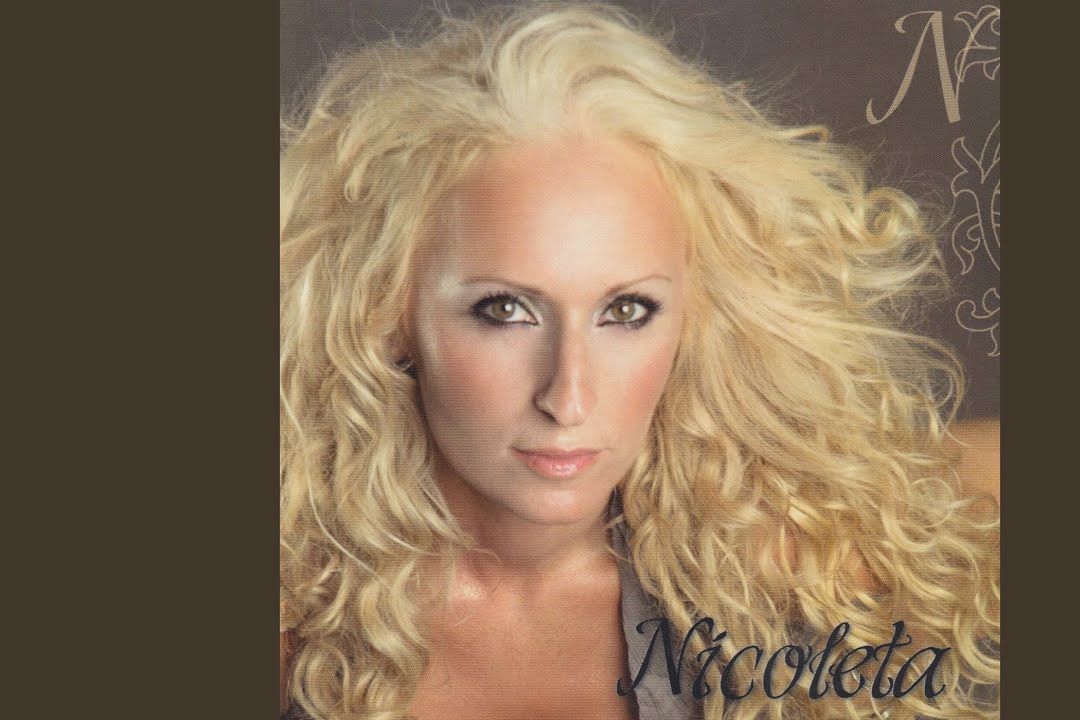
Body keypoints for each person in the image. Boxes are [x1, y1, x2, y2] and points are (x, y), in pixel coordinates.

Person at [279, 3, 1000, 719]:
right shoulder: (298, 615)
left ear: (697, 315)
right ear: (389, 315)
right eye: (503, 310)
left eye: (626, 311)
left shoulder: (805, 554)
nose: (568, 397)